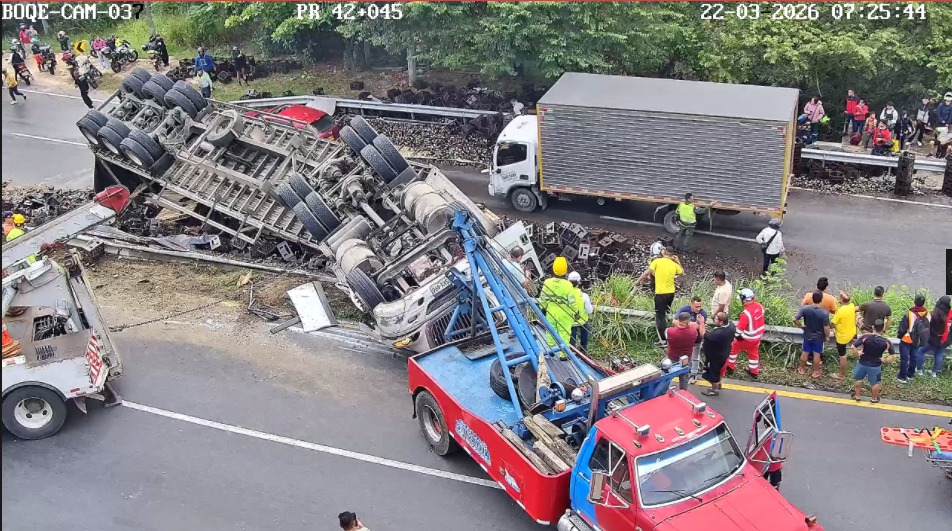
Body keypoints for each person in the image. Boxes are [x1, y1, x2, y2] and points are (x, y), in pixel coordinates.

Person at [639, 247, 683, 346]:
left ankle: (664, 340)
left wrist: (638, 281)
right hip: (671, 294)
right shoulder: (674, 264)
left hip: (660, 294)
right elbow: (682, 273)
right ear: (672, 256)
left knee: (660, 317)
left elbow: (646, 273)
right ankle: (670, 334)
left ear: (663, 252)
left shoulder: (657, 261)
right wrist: (678, 261)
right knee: (666, 313)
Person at [539, 256, 580, 348]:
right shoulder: (568, 284)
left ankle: (551, 349)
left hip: (551, 310)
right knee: (564, 333)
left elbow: (543, 298)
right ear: (565, 270)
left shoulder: (547, 282)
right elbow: (572, 301)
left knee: (550, 330)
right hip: (565, 312)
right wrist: (575, 312)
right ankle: (563, 355)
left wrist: (543, 309)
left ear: (553, 269)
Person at [850, 320, 895, 403]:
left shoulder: (865, 337)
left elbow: (853, 346)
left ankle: (857, 396)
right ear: (883, 328)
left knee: (858, 379)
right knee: (876, 383)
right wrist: (885, 360)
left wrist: (858, 353)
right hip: (875, 366)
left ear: (873, 327)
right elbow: (892, 355)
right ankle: (874, 398)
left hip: (862, 362)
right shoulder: (886, 341)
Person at [726, 288, 765, 377]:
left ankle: (730, 367)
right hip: (757, 337)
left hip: (747, 338)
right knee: (753, 354)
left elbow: (739, 329)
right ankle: (754, 372)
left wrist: (735, 336)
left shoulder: (745, 313)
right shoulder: (759, 306)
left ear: (744, 300)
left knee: (733, 349)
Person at [794, 291, 832, 378]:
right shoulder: (824, 313)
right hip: (818, 337)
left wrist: (801, 326)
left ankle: (802, 368)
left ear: (812, 298)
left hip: (807, 334)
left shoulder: (805, 309)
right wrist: (827, 337)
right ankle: (816, 372)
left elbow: (795, 319)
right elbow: (826, 327)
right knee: (817, 354)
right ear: (821, 300)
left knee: (805, 352)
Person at [896, 294, 929, 383]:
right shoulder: (927, 313)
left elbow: (902, 328)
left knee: (904, 359)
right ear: (923, 303)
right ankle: (910, 375)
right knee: (914, 357)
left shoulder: (910, 313)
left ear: (915, 302)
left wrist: (899, 336)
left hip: (907, 339)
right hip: (918, 340)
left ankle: (902, 377)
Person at [701, 311, 735, 396]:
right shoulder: (731, 326)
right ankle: (718, 383)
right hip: (724, 353)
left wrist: (701, 322)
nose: (714, 320)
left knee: (712, 374)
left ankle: (714, 389)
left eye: (716, 319)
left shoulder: (718, 334)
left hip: (715, 357)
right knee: (719, 371)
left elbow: (703, 334)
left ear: (721, 322)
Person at [676, 296, 707, 382]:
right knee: (683, 356)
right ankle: (683, 371)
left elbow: (697, 326)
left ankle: (694, 374)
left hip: (696, 340)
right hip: (684, 338)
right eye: (696, 306)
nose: (699, 308)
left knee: (695, 357)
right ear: (691, 304)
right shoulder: (683, 309)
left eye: (700, 306)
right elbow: (674, 321)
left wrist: (683, 323)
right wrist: (691, 324)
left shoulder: (702, 314)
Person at [666, 312, 699, 391]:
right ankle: (683, 392)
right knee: (684, 377)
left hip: (672, 356)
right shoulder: (693, 332)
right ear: (688, 322)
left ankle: (664, 392)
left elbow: (667, 342)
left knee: (668, 376)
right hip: (685, 358)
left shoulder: (669, 331)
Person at [919, 295, 951, 378]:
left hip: (933, 339)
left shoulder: (933, 314)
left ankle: (919, 369)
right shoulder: (950, 315)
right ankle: (935, 372)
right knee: (939, 354)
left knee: (921, 351)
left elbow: (926, 327)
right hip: (945, 339)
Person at [829, 291, 856, 380]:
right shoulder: (851, 306)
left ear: (841, 299)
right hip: (851, 334)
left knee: (842, 355)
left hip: (842, 337)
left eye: (839, 297)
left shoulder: (840, 311)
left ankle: (841, 375)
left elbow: (832, 324)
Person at [568, 271, 593, 351]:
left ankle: (571, 350)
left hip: (570, 322)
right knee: (585, 330)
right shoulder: (584, 296)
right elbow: (589, 311)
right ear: (579, 282)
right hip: (582, 321)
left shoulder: (566, 294)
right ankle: (583, 349)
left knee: (572, 337)